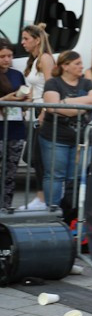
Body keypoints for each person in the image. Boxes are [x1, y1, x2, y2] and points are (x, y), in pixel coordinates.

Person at [40, 51, 92, 207]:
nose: (82, 66)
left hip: (82, 140)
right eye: (77, 63)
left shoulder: (87, 83)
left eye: (81, 63)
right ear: (65, 66)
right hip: (55, 138)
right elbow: (53, 107)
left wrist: (66, 102)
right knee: (55, 176)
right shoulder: (53, 83)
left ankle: (71, 213)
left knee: (76, 177)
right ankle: (52, 213)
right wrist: (82, 106)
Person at [17, 24, 55, 211]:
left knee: (38, 157)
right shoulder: (35, 59)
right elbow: (35, 87)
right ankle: (42, 198)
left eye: (26, 38)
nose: (23, 42)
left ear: (37, 40)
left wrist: (44, 111)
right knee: (33, 156)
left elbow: (51, 85)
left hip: (43, 114)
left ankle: (43, 198)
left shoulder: (45, 59)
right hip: (35, 112)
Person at [0, 41, 29, 210]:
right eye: (2, 56)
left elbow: (25, 104)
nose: (6, 60)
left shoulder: (17, 75)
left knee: (10, 173)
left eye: (9, 56)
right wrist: (6, 99)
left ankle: (6, 208)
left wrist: (26, 100)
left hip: (15, 128)